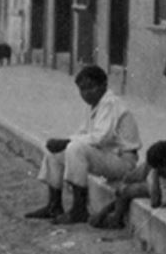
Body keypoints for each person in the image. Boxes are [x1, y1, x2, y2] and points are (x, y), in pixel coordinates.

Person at [24, 65, 141, 225]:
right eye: (82, 89)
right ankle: (54, 205)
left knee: (75, 148)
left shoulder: (110, 103)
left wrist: (67, 142)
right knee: (55, 152)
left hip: (123, 162)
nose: (86, 93)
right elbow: (82, 134)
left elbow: (100, 137)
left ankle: (79, 209)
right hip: (107, 157)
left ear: (104, 85)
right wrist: (62, 143)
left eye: (91, 87)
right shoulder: (94, 105)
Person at [91, 140, 166, 229]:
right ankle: (109, 213)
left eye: (157, 169)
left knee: (127, 189)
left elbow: (155, 202)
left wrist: (156, 174)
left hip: (165, 187)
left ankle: (116, 219)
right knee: (128, 180)